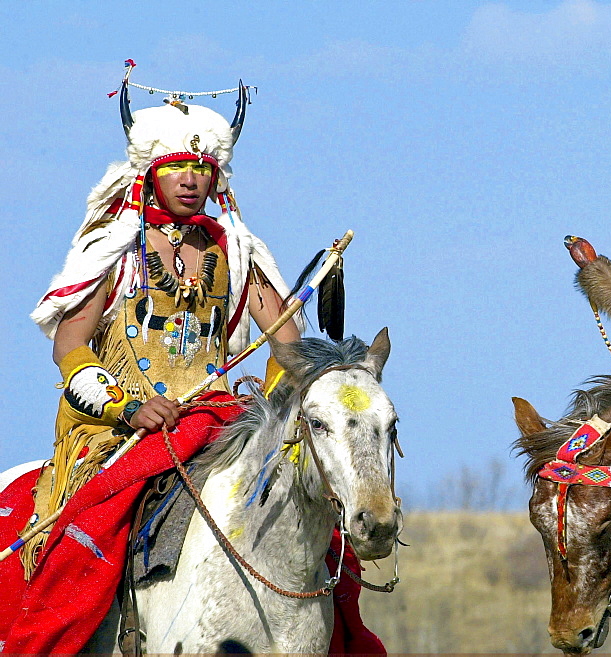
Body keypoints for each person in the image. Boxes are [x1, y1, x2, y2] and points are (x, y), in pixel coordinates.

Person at [0, 65, 382, 655]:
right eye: (176, 167)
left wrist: (277, 407)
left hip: (217, 419)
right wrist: (126, 408)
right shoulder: (116, 249)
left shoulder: (235, 253)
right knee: (89, 533)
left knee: (316, 526)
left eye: (202, 169)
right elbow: (68, 344)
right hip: (116, 430)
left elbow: (287, 343)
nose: (189, 180)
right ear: (149, 174)